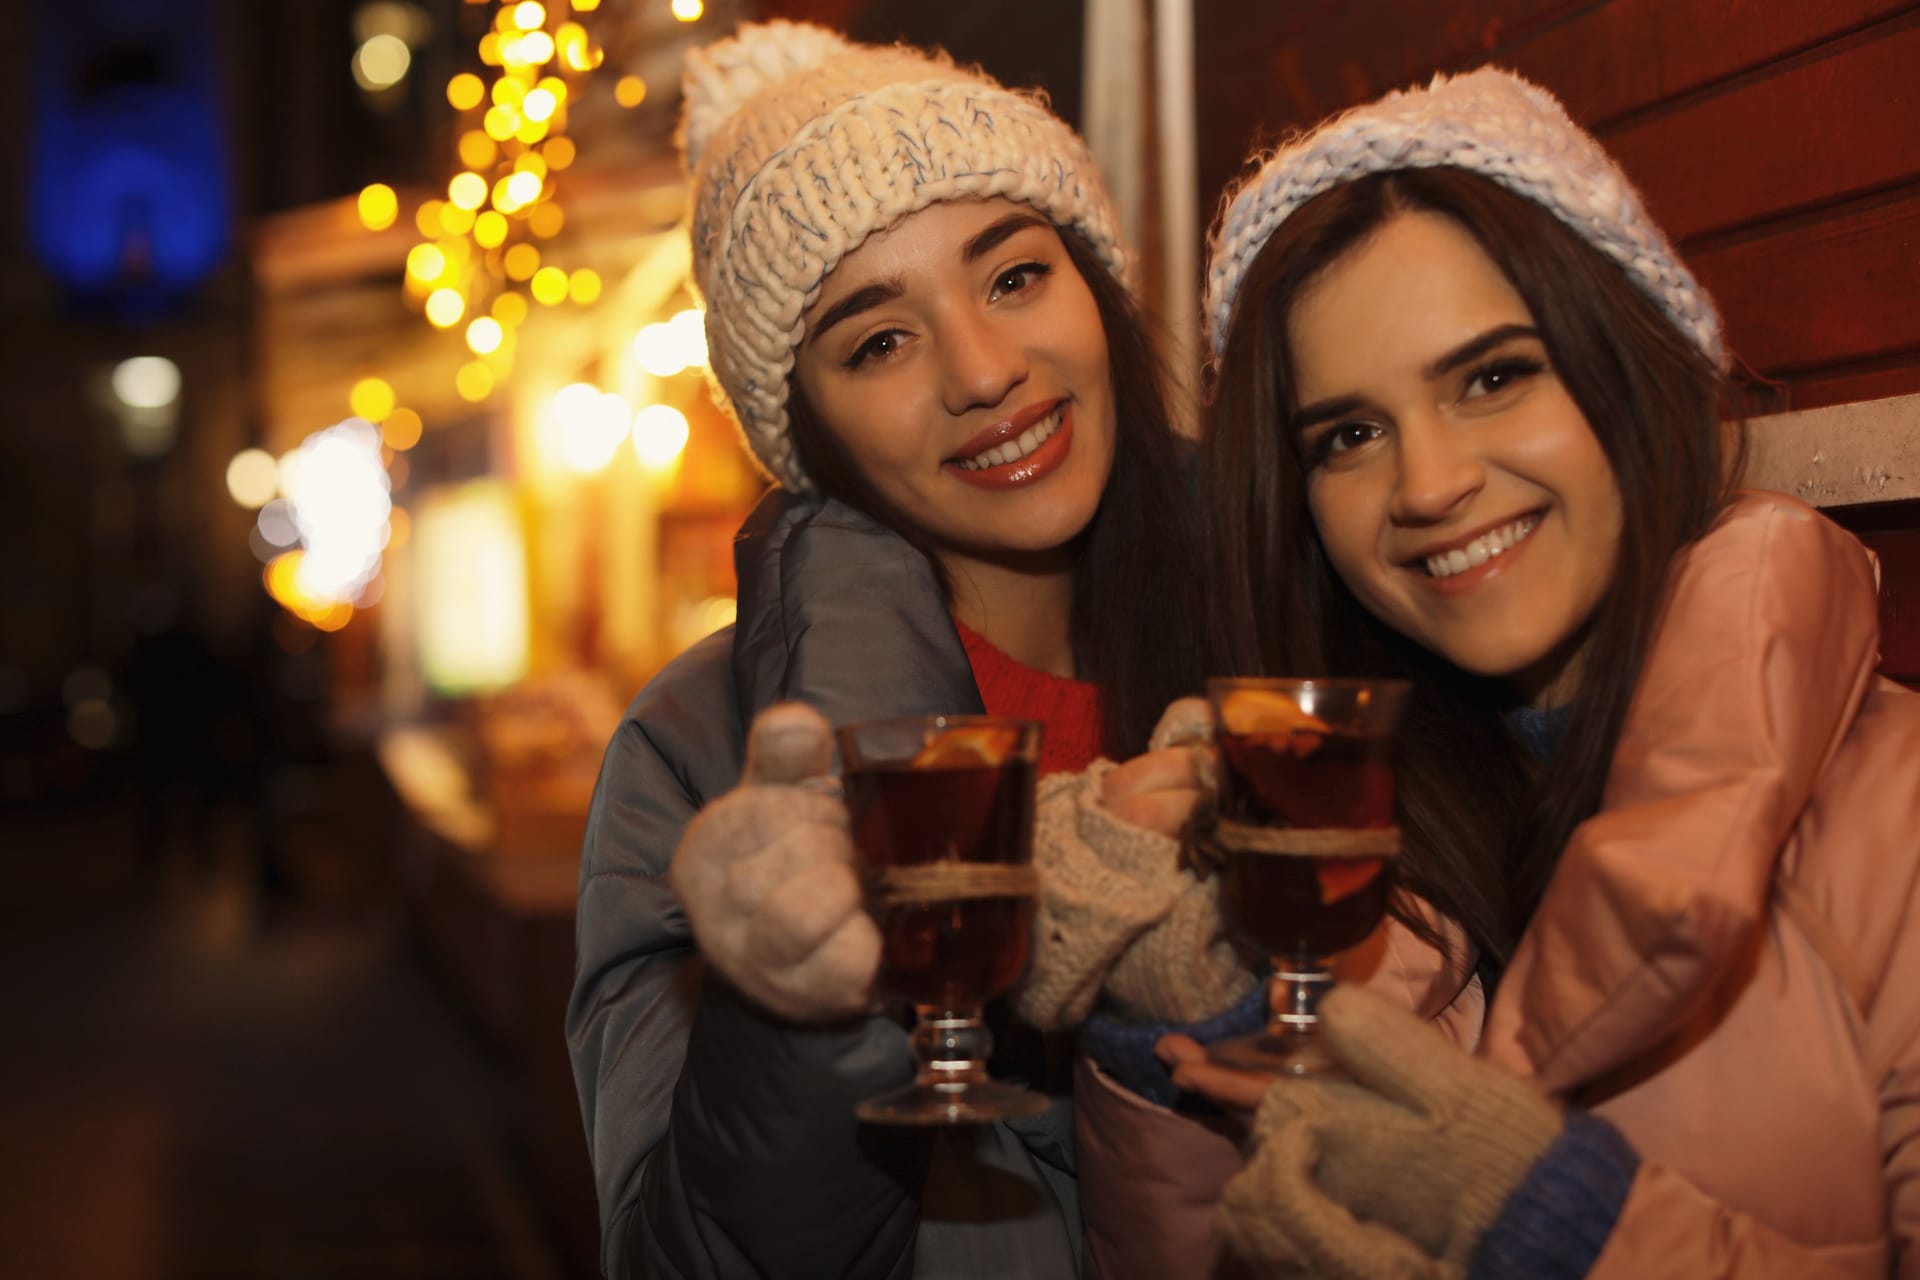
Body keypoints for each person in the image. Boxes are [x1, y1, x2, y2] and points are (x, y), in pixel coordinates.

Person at [1154, 67, 1920, 1278]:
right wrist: (1163, 989)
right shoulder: (1314, 864)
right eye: (1350, 434)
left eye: (1493, 375)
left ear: (1630, 363)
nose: (1425, 483)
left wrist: (1562, 1224)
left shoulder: (1899, 820)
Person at [565, 21, 1215, 1279]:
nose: (984, 371)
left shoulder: (1286, 619)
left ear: (1097, 282)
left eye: (1015, 275)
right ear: (809, 427)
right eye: (878, 341)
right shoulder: (698, 751)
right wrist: (805, 1008)